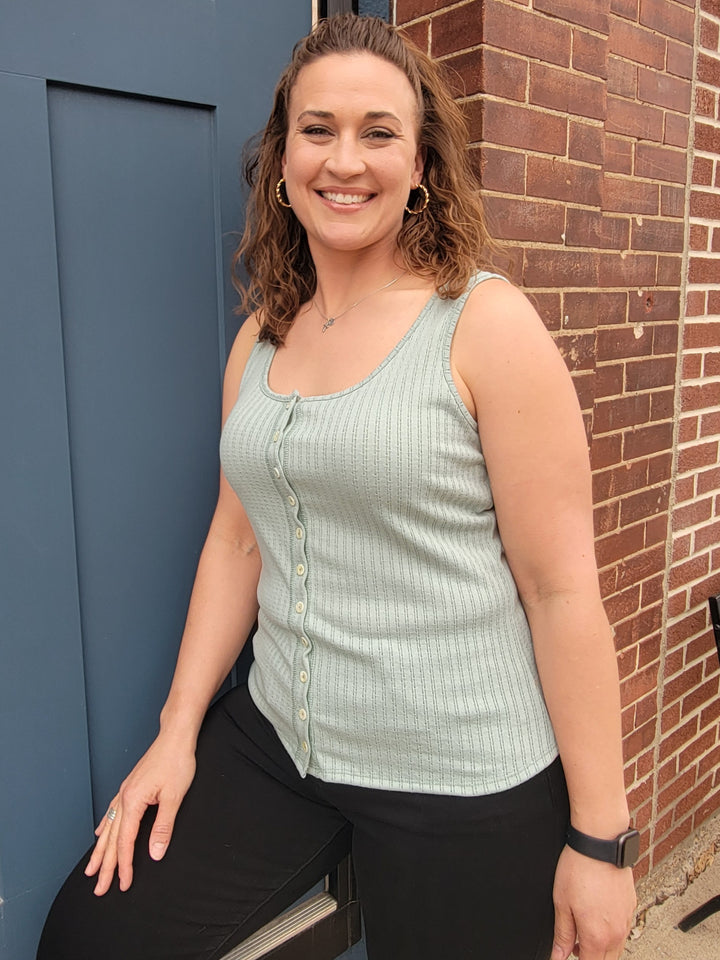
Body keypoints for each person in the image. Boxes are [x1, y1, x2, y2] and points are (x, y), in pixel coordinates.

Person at [38, 14, 637, 960]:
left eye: (378, 132)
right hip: (283, 738)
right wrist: (177, 731)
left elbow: (562, 592)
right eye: (317, 130)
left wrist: (600, 841)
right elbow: (237, 541)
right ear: (282, 161)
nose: (344, 160)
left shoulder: (484, 326)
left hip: (462, 770)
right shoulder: (264, 338)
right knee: (92, 935)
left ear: (423, 164)